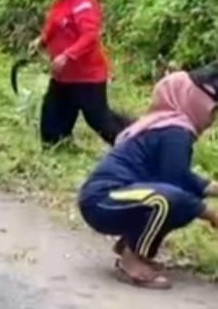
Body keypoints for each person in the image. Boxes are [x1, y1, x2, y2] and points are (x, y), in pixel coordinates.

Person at [78, 67, 218, 289]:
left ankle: (130, 245)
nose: (212, 120)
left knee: (177, 201)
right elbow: (175, 183)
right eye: (212, 111)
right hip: (103, 199)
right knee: (170, 201)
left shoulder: (164, 126)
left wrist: (211, 189)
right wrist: (210, 213)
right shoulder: (175, 133)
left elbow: (176, 174)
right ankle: (131, 260)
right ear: (195, 103)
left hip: (114, 198)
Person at [38, 0, 127, 148]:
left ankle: (129, 144)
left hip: (87, 75)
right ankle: (57, 144)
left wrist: (67, 55)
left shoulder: (84, 3)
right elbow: (53, 25)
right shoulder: (61, 2)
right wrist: (41, 41)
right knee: (52, 112)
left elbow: (89, 36)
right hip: (63, 75)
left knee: (97, 118)